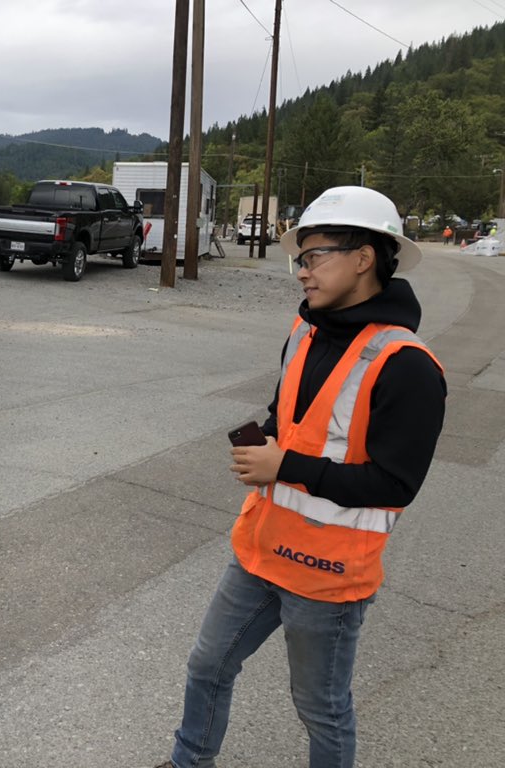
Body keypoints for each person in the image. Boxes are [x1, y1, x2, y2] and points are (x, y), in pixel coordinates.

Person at [154, 186, 446, 768]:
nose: (301, 272)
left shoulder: (408, 366)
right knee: (208, 665)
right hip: (260, 551)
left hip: (328, 574)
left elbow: (395, 485)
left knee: (320, 707)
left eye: (313, 257)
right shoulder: (305, 331)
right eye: (300, 259)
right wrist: (265, 439)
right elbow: (285, 413)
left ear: (364, 258)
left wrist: (283, 465)